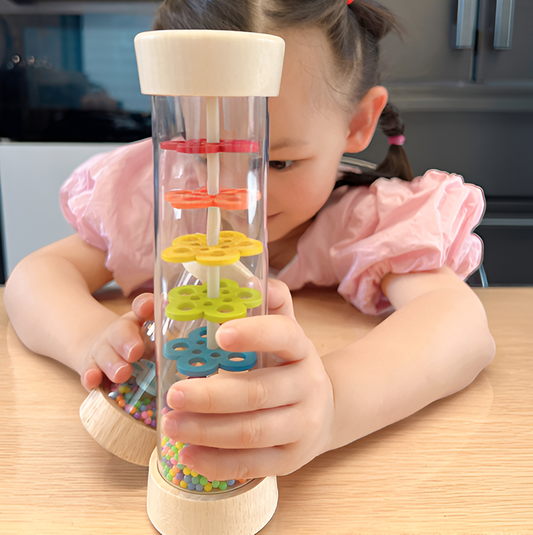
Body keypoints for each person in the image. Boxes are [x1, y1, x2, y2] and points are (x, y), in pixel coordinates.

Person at [4, 0, 495, 482]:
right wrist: (92, 339)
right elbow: (35, 276)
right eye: (201, 157)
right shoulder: (148, 201)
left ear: (358, 124)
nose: (231, 199)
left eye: (276, 163)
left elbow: (460, 327)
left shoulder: (365, 220)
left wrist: (333, 402)